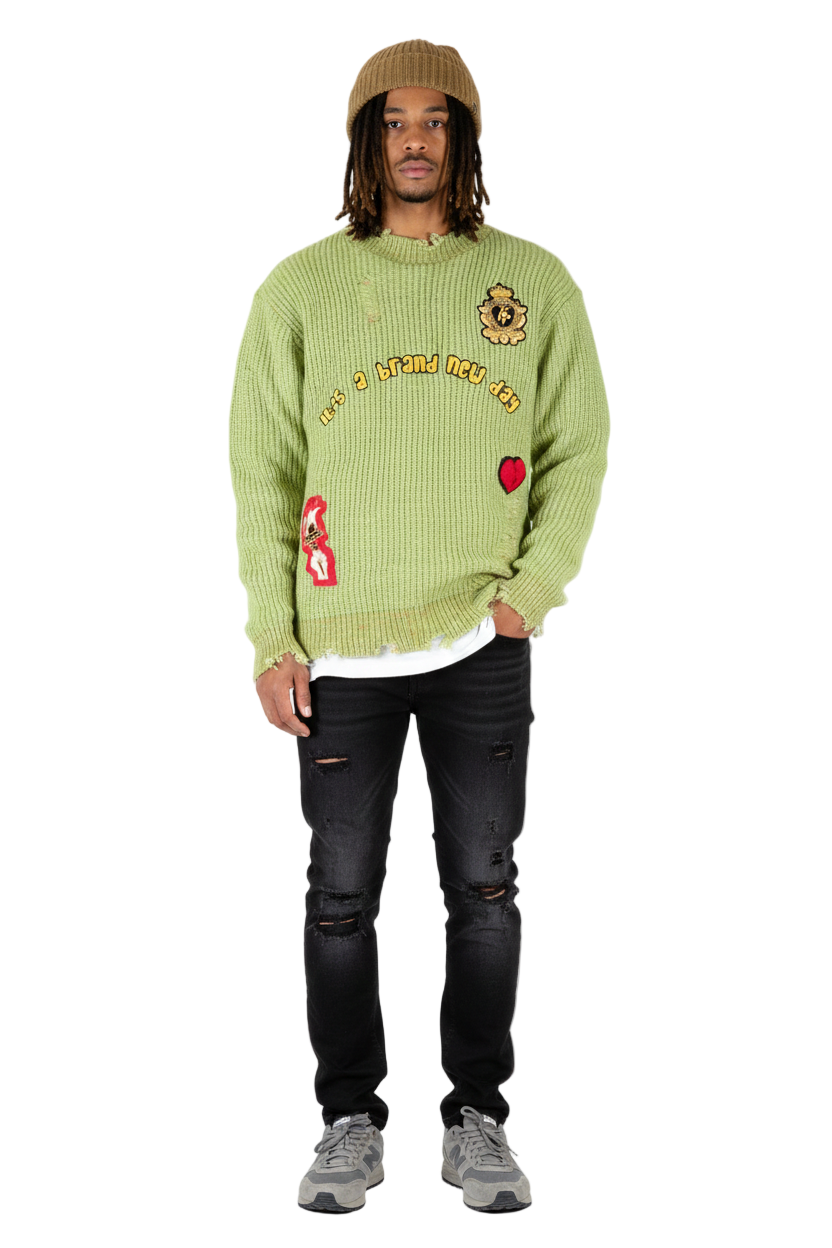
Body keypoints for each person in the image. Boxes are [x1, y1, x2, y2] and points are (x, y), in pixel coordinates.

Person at [229, 39, 610, 1215]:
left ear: (463, 140)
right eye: (393, 121)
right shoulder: (300, 290)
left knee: (483, 890)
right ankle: (348, 1122)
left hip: (479, 647)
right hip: (340, 648)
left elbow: (576, 447)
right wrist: (274, 638)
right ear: (364, 139)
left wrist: (526, 595)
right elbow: (264, 474)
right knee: (340, 894)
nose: (414, 141)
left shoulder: (530, 284)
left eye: (436, 122)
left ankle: (476, 1120)